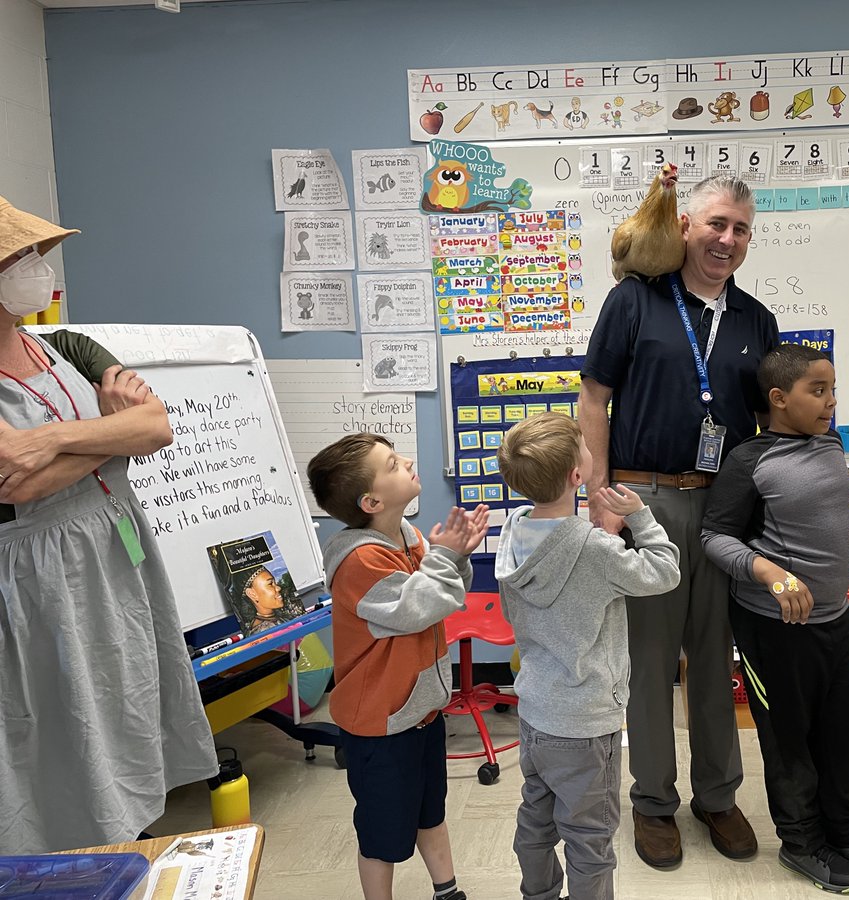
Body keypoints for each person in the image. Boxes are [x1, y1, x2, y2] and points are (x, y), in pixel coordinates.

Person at [0, 195, 217, 852]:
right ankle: (67, 854)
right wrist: (112, 436)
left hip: (117, 548)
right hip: (36, 574)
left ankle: (129, 832)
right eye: (17, 257)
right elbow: (14, 478)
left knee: (126, 688)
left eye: (33, 253)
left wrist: (54, 439)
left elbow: (155, 425)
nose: (34, 268)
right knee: (60, 718)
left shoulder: (66, 344)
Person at [579, 174, 779, 868]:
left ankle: (718, 797)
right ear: (686, 224)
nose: (728, 240)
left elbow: (768, 425)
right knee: (651, 659)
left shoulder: (755, 319)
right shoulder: (634, 300)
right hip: (647, 500)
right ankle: (653, 802)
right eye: (717, 224)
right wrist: (599, 496)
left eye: (742, 230)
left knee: (715, 655)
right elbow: (595, 397)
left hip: (725, 506)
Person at [700, 345, 849, 893]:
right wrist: (768, 572)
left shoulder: (830, 443)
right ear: (778, 398)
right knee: (789, 738)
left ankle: (847, 834)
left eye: (833, 390)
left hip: (837, 619)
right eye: (818, 391)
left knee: (844, 735)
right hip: (775, 629)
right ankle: (802, 842)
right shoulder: (749, 460)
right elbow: (714, 537)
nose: (831, 403)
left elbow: (843, 499)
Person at [494, 412, 680, 900]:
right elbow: (663, 573)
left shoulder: (512, 534)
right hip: (585, 723)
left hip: (535, 712)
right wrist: (640, 516)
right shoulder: (595, 549)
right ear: (578, 475)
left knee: (535, 817)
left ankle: (538, 893)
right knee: (590, 838)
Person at [307, 433, 487, 900]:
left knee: (431, 810)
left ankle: (447, 890)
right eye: (392, 463)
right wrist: (446, 557)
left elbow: (445, 593)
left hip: (419, 710)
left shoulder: (409, 536)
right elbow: (416, 608)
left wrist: (457, 556)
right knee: (383, 834)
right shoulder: (359, 560)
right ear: (372, 500)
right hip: (380, 725)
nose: (406, 460)